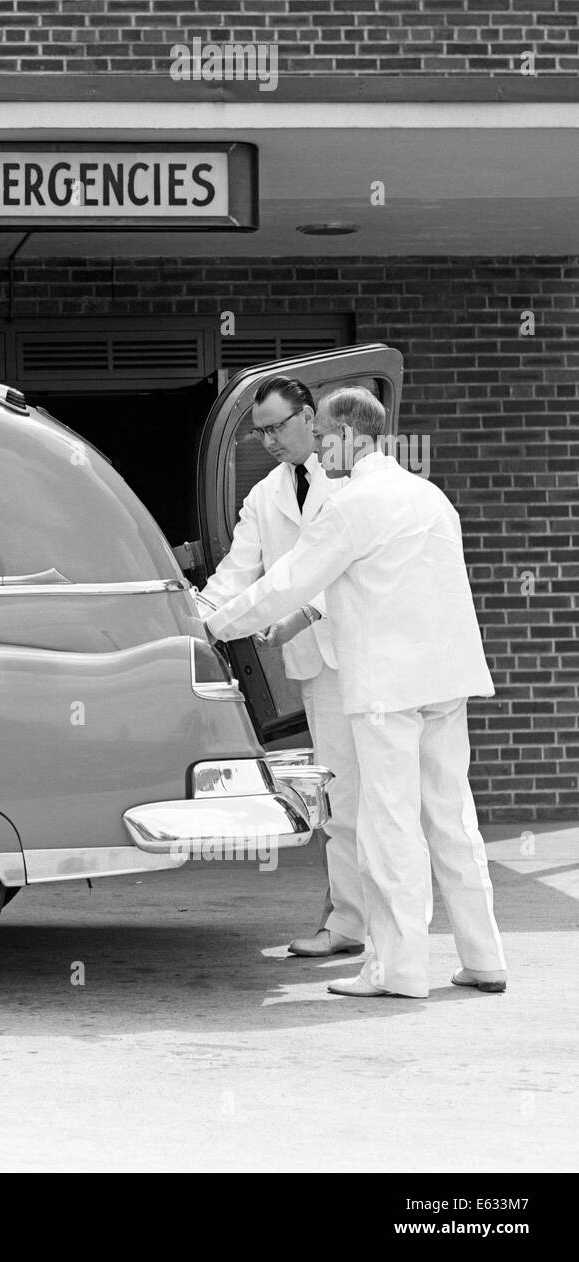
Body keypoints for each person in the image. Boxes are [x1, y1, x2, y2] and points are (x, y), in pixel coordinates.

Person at [204, 387, 507, 998]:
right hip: (446, 683)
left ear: (352, 437)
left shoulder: (353, 503)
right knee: (452, 820)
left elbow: (285, 585)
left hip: (384, 690)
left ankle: (397, 972)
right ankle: (484, 958)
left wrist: (208, 627)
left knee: (387, 824)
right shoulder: (429, 496)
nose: (316, 448)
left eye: (322, 438)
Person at [199, 376, 365, 959]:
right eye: (261, 431)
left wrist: (287, 615)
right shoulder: (264, 495)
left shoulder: (351, 480)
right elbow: (236, 575)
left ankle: (369, 925)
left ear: (311, 417)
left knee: (388, 799)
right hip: (315, 669)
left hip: (365, 656)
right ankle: (348, 920)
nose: (269, 439)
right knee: (340, 795)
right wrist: (195, 619)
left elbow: (336, 574)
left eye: (277, 426)